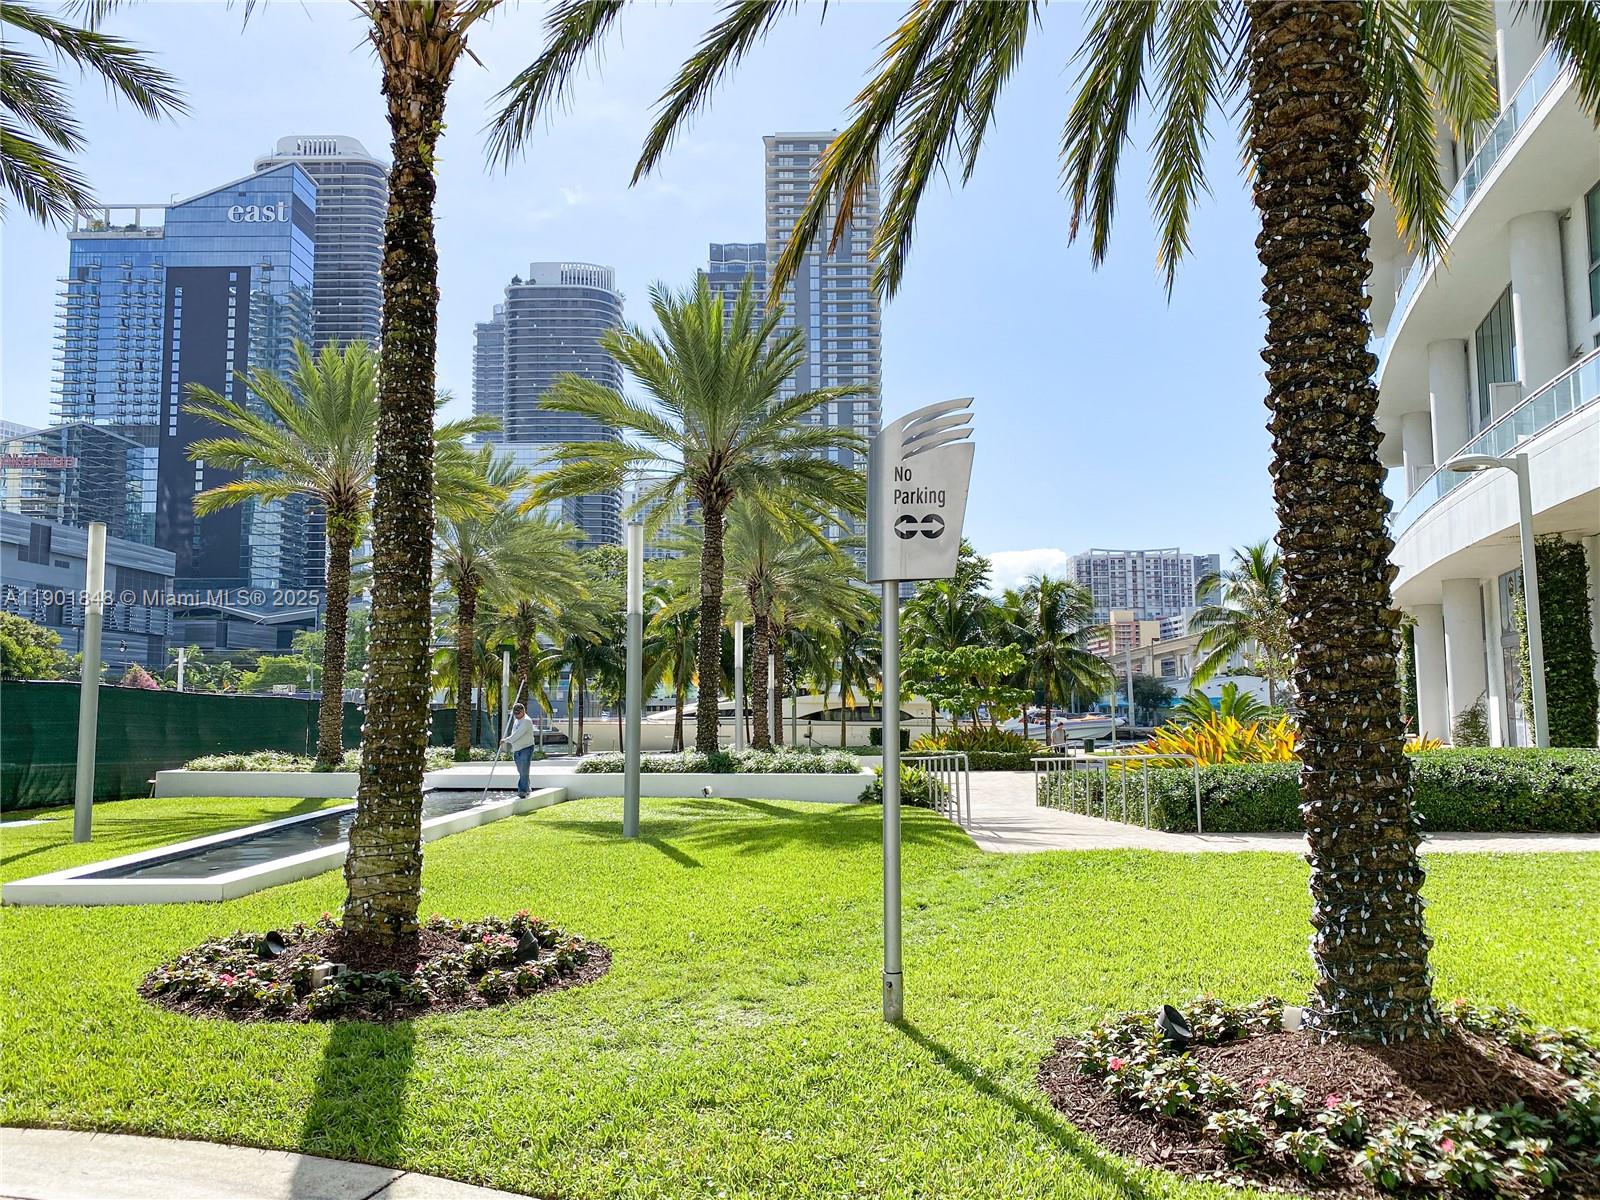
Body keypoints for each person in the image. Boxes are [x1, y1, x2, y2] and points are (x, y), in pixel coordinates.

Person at [501, 702, 538, 798]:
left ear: (523, 711)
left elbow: (517, 735)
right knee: (521, 770)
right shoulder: (517, 720)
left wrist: (506, 740)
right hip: (517, 749)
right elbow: (514, 732)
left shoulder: (526, 721)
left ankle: (522, 791)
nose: (516, 715)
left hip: (526, 748)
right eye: (515, 713)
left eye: (518, 713)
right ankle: (527, 787)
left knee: (524, 770)